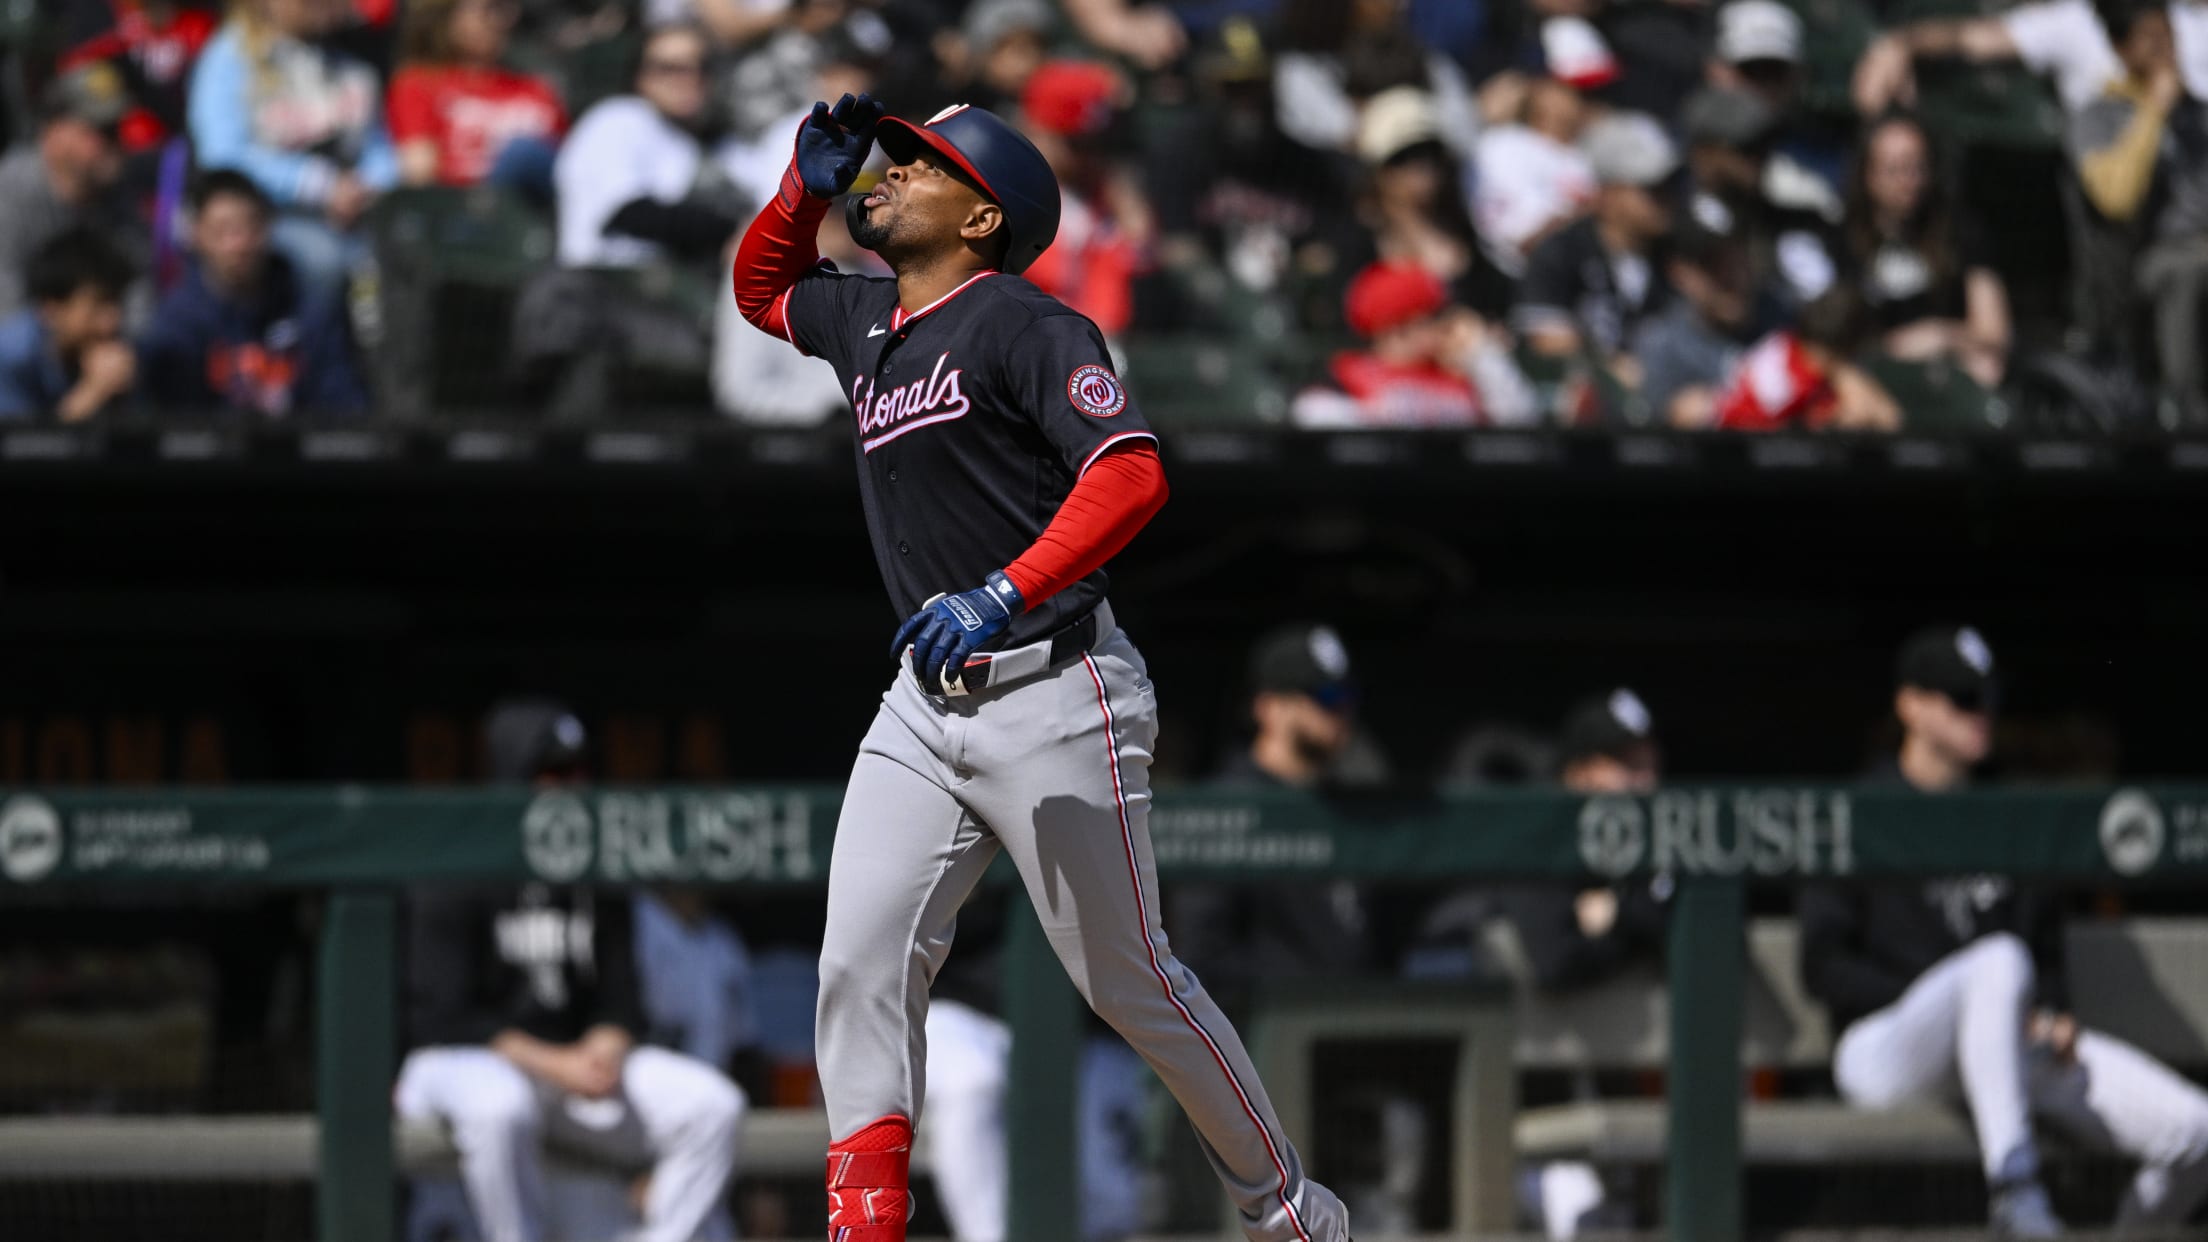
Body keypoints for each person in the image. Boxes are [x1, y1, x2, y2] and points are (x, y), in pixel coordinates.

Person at [729, 95, 1354, 1242]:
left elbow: (1130, 474)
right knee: (858, 959)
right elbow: (761, 291)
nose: (890, 167)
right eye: (896, 152)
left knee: (1133, 982)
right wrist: (801, 193)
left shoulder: (1026, 323)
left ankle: (1289, 1210)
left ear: (980, 217)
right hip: (925, 704)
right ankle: (863, 1225)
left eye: (920, 163)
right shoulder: (868, 318)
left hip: (1058, 691)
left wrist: (1005, 589)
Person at [1798, 627, 2208, 1238]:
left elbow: (2043, 953)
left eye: (1987, 697)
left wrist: (2055, 1010)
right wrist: (1956, 1002)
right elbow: (1824, 964)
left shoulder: (2010, 814)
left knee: (2195, 1133)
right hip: (1891, 1047)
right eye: (1962, 698)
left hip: (2006, 1049)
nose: (1982, 714)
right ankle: (2015, 1190)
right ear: (1911, 704)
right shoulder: (1860, 811)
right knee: (1995, 960)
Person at [398, 699, 746, 1242]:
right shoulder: (457, 862)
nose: (572, 785)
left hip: (566, 1067)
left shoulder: (594, 865)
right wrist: (555, 1062)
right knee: (500, 1108)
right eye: (554, 772)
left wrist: (606, 1042)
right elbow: (441, 1017)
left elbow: (620, 999)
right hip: (464, 1064)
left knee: (713, 1107)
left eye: (581, 770)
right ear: (513, 776)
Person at [187, 0, 398, 303]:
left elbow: (379, 150)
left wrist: (367, 185)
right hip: (269, 217)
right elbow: (222, 157)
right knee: (325, 260)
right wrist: (317, 185)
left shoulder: (351, 62)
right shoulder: (230, 57)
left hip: (353, 216)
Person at [2069, 0, 2208, 419]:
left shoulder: (2199, 116)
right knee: (2190, 269)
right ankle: (2184, 411)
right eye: (2150, 40)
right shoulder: (2098, 115)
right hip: (2142, 261)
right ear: (2120, 48)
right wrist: (2153, 109)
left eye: (2169, 37)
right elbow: (2116, 198)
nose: (2165, 49)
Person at [138, 170, 368, 416]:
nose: (239, 243)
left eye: (251, 227)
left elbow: (342, 404)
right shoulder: (177, 320)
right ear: (196, 234)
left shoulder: (309, 309)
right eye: (223, 230)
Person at [1838, 114, 2011, 389]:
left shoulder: (1961, 232)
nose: (1909, 181)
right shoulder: (1842, 240)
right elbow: (1830, 338)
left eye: (1917, 167)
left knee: (1987, 367)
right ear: (1868, 175)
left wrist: (1942, 336)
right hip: (1871, 375)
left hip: (1945, 370)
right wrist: (1892, 346)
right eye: (1894, 170)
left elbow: (1994, 331)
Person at [555, 23, 741, 270]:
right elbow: (631, 214)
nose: (690, 78)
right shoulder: (617, 118)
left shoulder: (716, 142)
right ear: (640, 76)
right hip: (597, 287)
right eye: (670, 68)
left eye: (701, 67)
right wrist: (734, 231)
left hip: (672, 292)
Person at [1513, 111, 1678, 380]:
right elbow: (1547, 342)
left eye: (1669, 185)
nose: (1664, 198)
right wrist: (1611, 369)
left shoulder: (1675, 255)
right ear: (1608, 192)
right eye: (1649, 188)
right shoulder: (1562, 252)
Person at [1854, 0, 2208, 119]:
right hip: (2122, 184)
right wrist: (1901, 43)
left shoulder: (2190, 20)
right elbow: (1969, 38)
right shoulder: (2074, 23)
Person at [1291, 258, 1534, 427]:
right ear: (1398, 327)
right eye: (1432, 316)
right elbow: (1311, 415)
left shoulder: (1464, 375)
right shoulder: (1348, 374)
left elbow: (1521, 424)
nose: (1445, 324)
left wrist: (1482, 355)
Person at [0, 65, 138, 323]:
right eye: (100, 130)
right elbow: (5, 306)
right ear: (52, 132)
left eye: (116, 129)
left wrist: (121, 343)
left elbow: (138, 286)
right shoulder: (10, 193)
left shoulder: (117, 194)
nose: (115, 141)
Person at [387, 0, 566, 195]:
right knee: (519, 154)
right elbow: (420, 178)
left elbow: (570, 166)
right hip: (468, 211)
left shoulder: (537, 89)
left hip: (543, 210)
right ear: (450, 16)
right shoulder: (420, 84)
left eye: (508, 8)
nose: (505, 20)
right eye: (491, 8)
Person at [1633, 215, 1789, 428]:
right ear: (1680, 275)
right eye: (1713, 265)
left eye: (1738, 258)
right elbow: (1645, 433)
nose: (1732, 277)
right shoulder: (1661, 343)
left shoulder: (1782, 319)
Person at [0, 228, 137, 421]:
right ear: (51, 309)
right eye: (97, 305)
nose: (111, 322)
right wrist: (92, 393)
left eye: (116, 303)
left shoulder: (120, 347)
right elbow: (20, 446)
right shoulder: (8, 358)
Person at [1471, 73, 1593, 278]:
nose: (1570, 98)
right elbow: (1513, 235)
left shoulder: (1580, 159)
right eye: (1557, 88)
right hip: (1518, 274)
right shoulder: (1501, 144)